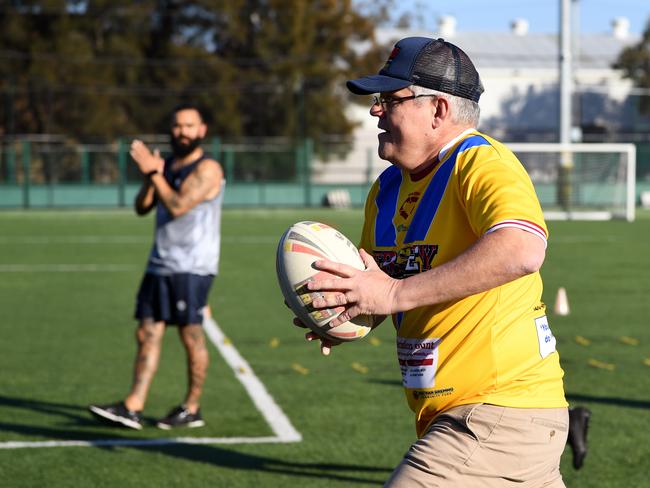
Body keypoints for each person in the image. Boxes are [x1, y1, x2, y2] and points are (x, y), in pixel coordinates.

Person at [296, 37, 569, 486]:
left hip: (495, 412)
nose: (374, 112)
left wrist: (394, 293)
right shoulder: (387, 188)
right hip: (479, 416)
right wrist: (348, 308)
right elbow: (380, 285)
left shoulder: (482, 162)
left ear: (438, 110)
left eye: (389, 99)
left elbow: (522, 249)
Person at [89, 103, 224, 430]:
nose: (181, 132)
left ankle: (191, 407)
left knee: (190, 336)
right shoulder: (166, 166)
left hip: (191, 267)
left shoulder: (208, 170)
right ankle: (133, 406)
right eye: (177, 125)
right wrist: (154, 175)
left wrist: (153, 172)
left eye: (189, 126)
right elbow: (141, 207)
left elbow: (178, 206)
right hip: (160, 263)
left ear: (202, 130)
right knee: (146, 332)